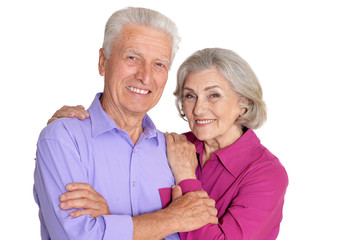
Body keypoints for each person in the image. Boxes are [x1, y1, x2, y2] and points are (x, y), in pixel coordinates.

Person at [50, 48, 289, 239]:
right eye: (189, 95)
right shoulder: (168, 145)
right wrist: (68, 129)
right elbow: (134, 203)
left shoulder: (266, 174)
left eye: (213, 95)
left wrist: (186, 177)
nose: (198, 109)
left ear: (244, 104)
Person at [33, 7, 218, 240]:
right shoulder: (63, 139)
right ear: (103, 61)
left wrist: (109, 221)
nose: (145, 76)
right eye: (132, 58)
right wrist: (172, 218)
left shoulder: (176, 153)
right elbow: (77, 237)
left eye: (159, 64)